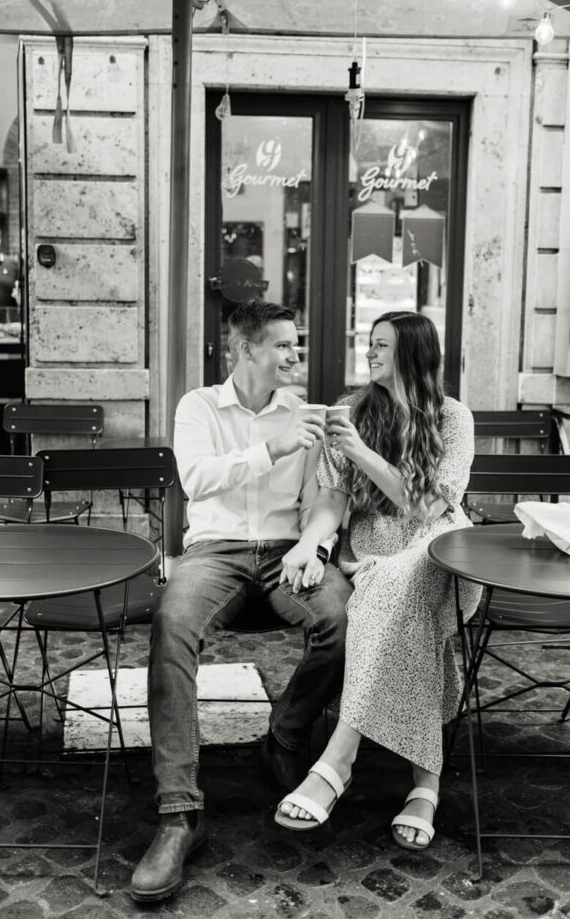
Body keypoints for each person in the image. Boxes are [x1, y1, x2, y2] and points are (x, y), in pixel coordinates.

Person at [130, 300, 352, 903]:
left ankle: (284, 734)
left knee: (340, 618)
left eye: (295, 343)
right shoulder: (198, 406)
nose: (294, 354)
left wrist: (316, 544)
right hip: (215, 554)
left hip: (288, 552)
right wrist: (272, 449)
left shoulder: (306, 414)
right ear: (246, 349)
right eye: (282, 345)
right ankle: (180, 813)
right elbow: (196, 479)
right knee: (172, 622)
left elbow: (322, 497)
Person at [275, 311, 482, 851]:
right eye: (369, 343)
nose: (370, 353)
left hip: (442, 548)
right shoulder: (356, 409)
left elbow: (429, 506)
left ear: (412, 353)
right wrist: (311, 543)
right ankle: (425, 786)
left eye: (382, 345)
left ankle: (336, 761)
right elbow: (333, 501)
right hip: (372, 559)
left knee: (406, 578)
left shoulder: (452, 417)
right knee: (401, 597)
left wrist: (360, 452)